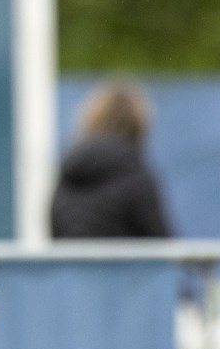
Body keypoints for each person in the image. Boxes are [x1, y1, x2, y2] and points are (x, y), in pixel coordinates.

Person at [49, 81, 173, 239]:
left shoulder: (67, 177)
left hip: (72, 265)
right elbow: (163, 247)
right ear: (137, 127)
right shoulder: (137, 178)